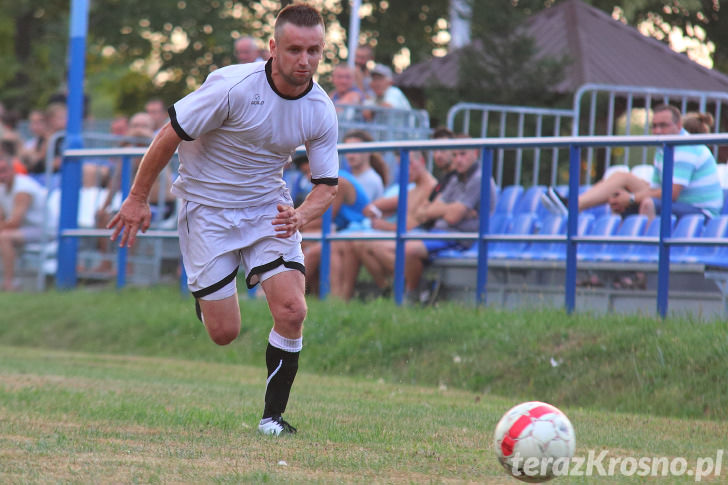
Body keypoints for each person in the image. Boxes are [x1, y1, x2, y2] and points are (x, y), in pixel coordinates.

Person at [108, 4, 339, 436]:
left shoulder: (321, 109)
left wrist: (300, 215)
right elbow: (167, 136)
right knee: (224, 333)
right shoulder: (232, 87)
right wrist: (138, 198)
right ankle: (207, 296)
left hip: (268, 209)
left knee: (292, 310)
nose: (304, 60)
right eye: (294, 50)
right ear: (273, 48)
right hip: (207, 210)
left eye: (314, 51)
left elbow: (326, 183)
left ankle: (272, 419)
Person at [542, 104, 723, 221]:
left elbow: (671, 194)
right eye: (654, 126)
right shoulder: (664, 148)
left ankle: (643, 268)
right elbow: (655, 187)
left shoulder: (686, 149)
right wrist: (622, 197)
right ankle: (574, 205)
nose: (657, 131)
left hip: (700, 212)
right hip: (680, 202)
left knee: (647, 203)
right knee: (621, 180)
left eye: (663, 126)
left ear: (678, 126)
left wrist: (630, 198)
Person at [403, 140, 491, 300]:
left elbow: (452, 217)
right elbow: (425, 212)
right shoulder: (455, 179)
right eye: (455, 155)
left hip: (459, 236)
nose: (458, 159)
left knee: (409, 249)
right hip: (440, 232)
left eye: (463, 154)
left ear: (475, 153)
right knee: (399, 241)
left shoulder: (479, 178)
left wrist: (445, 210)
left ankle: (411, 296)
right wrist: (451, 209)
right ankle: (417, 289)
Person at [0, 149, 47, 291]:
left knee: (4, 238)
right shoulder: (2, 188)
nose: (2, 175)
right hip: (22, 230)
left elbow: (14, 222)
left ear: (13, 169)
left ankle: (10, 283)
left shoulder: (23, 188)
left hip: (42, 230)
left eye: (4, 170)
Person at [342, 129, 387, 201]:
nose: (350, 155)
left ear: (368, 151)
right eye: (347, 150)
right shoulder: (348, 176)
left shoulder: (371, 180)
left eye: (355, 150)